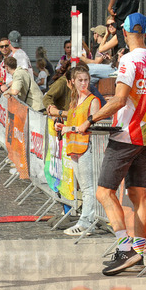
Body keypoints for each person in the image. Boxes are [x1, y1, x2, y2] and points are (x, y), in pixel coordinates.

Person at [78, 13, 146, 276]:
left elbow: (119, 100)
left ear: (124, 33)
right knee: (137, 195)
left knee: (104, 192)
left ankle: (125, 249)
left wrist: (90, 120)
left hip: (125, 135)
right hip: (145, 135)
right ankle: (138, 253)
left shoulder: (129, 59)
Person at [54, 65, 101, 236]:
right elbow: (75, 122)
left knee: (88, 188)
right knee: (84, 187)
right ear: (72, 81)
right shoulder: (74, 101)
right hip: (74, 147)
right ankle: (86, 221)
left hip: (86, 146)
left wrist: (69, 128)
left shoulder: (93, 101)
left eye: (86, 80)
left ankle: (86, 223)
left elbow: (92, 126)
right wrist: (63, 126)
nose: (83, 83)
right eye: (80, 80)